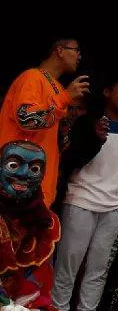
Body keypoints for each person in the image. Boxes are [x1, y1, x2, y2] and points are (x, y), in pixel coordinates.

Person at [50, 78, 118, 311]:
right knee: (68, 263)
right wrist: (94, 139)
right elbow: (71, 158)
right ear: (107, 91)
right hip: (81, 201)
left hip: (113, 206)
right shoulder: (88, 122)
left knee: (98, 268)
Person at [0, 140, 84, 311]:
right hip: (4, 308)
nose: (24, 174)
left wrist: (32, 310)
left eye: (35, 168)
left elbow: (39, 282)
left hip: (24, 310)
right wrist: (5, 306)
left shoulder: (46, 223)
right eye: (13, 165)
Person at [0, 38, 91, 206]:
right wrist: (64, 98)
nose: (80, 56)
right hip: (16, 185)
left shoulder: (57, 86)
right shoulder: (32, 77)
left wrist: (71, 119)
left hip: (37, 190)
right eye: (77, 50)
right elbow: (26, 120)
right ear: (59, 50)